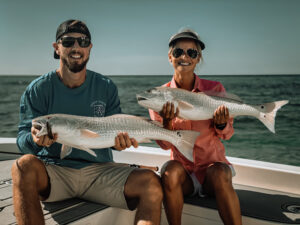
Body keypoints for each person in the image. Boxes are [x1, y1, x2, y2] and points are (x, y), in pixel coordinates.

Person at [12, 19, 163, 225]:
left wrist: (119, 143)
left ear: (90, 48)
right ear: (57, 48)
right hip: (55, 171)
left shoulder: (105, 86)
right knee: (22, 167)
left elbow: (115, 131)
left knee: (151, 183)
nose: (76, 47)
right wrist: (34, 141)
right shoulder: (38, 89)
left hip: (100, 172)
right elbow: (22, 138)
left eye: (83, 42)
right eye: (68, 42)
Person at [149, 29, 242, 225]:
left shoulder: (215, 89)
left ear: (198, 58)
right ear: (169, 57)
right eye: (178, 52)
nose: (184, 57)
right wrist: (166, 122)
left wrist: (222, 123)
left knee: (221, 171)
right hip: (183, 177)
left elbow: (227, 134)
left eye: (192, 53)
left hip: (211, 173)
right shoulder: (159, 96)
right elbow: (165, 146)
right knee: (168, 171)